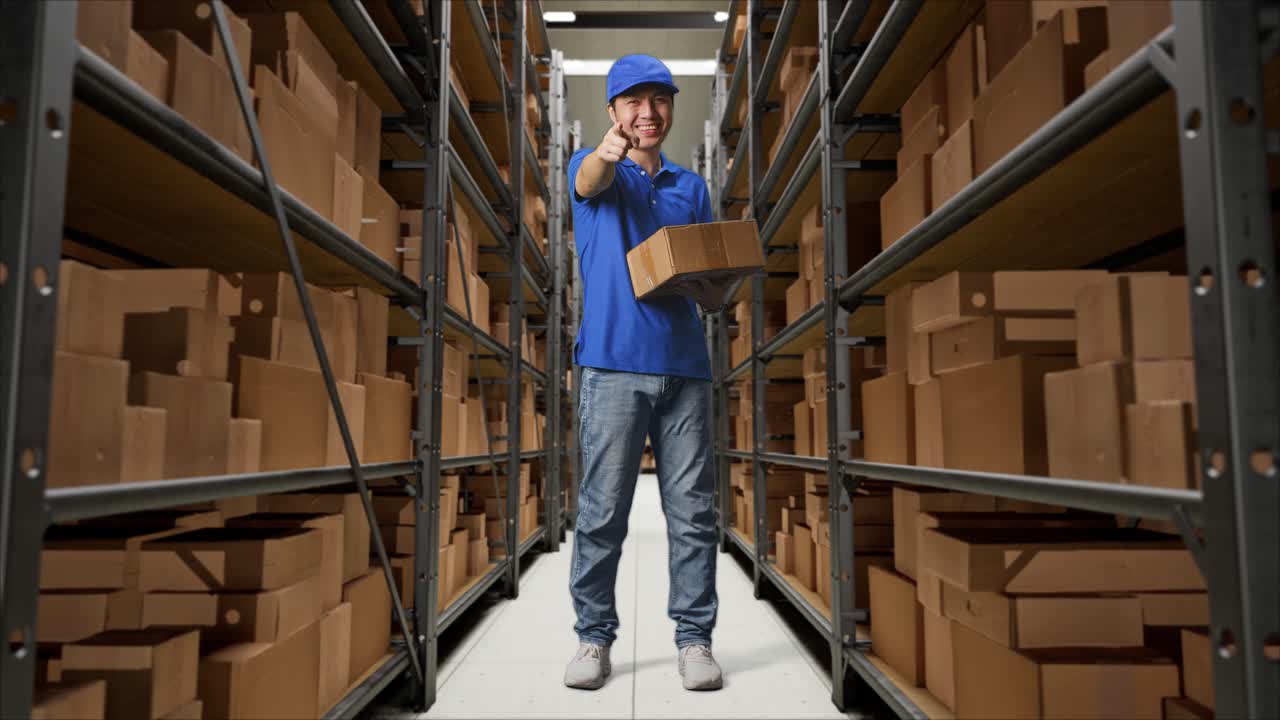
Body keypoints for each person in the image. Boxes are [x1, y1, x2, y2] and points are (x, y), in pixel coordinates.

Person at [563, 54, 722, 692]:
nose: (647, 113)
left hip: (686, 364)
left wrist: (718, 288)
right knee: (603, 511)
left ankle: (694, 640)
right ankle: (593, 639)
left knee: (694, 515)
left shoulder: (690, 187)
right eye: (633, 101)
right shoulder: (592, 169)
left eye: (658, 100)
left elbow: (707, 268)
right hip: (611, 365)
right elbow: (589, 182)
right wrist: (605, 153)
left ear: (671, 109)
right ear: (612, 111)